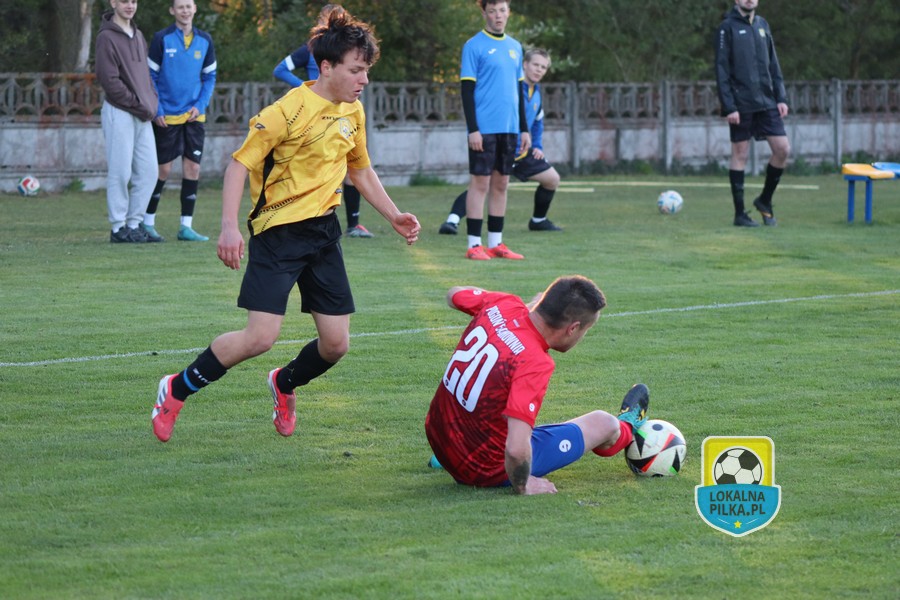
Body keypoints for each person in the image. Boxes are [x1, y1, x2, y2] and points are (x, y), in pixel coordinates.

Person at [151, 8, 421, 442]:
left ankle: (284, 382)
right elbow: (238, 165)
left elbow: (360, 169)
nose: (364, 80)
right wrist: (228, 227)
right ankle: (176, 389)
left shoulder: (353, 112)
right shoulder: (287, 111)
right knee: (260, 338)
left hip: (323, 233)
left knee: (336, 344)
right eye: (356, 71)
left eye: (366, 71)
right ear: (326, 67)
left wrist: (394, 215)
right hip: (278, 235)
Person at [424, 276, 650, 495]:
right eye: (585, 330)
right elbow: (515, 450)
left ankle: (458, 452)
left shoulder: (503, 304)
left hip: (441, 442)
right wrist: (523, 485)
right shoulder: (533, 362)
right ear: (572, 328)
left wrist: (522, 310)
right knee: (604, 423)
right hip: (482, 468)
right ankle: (627, 427)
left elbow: (453, 294)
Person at [272, 3, 374, 239]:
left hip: (340, 111)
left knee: (352, 167)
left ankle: (353, 224)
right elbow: (280, 70)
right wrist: (306, 89)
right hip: (312, 116)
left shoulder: (350, 56)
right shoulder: (309, 51)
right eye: (329, 20)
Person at [440, 48, 561, 235]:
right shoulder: (511, 88)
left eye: (543, 67)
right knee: (483, 185)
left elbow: (538, 121)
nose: (539, 70)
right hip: (503, 147)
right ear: (525, 65)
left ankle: (538, 221)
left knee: (552, 179)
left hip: (522, 151)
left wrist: (537, 146)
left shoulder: (536, 92)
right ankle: (451, 222)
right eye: (535, 65)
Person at [459, 0, 531, 260]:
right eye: (492, 11)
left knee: (501, 184)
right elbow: (467, 91)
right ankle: (474, 245)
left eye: (502, 10)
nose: (498, 16)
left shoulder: (515, 47)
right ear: (484, 13)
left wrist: (524, 129)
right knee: (480, 184)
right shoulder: (473, 46)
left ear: (508, 12)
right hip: (484, 130)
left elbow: (519, 92)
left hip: (510, 129)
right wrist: (473, 129)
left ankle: (496, 243)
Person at [142, 0, 217, 243]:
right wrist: (158, 109)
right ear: (172, 11)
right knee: (163, 169)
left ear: (195, 9)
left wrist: (200, 105)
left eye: (188, 6)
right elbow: (150, 76)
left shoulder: (205, 40)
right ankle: (147, 222)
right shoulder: (161, 38)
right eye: (180, 7)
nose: (185, 10)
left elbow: (210, 77)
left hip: (194, 116)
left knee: (193, 168)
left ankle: (186, 227)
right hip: (167, 116)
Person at [715, 0, 790, 227]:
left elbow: (774, 64)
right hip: (741, 103)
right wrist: (729, 106)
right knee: (740, 153)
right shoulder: (726, 27)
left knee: (783, 149)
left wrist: (781, 97)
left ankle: (764, 200)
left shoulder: (762, 25)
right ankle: (740, 214)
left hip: (767, 101)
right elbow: (721, 69)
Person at [95, 0, 158, 243]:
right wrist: (137, 103)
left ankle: (134, 224)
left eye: (133, 1)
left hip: (142, 114)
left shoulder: (138, 35)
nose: (130, 5)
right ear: (113, 3)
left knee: (149, 171)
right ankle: (118, 227)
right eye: (124, 1)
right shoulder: (106, 37)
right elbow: (109, 80)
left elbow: (145, 76)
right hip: (119, 111)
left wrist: (151, 101)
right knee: (120, 171)